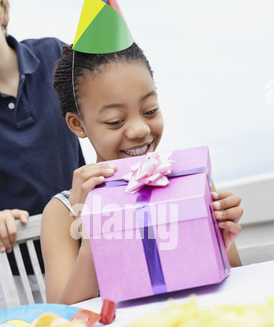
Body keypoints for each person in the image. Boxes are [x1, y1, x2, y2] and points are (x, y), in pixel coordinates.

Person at [41, 42, 243, 306]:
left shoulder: (188, 182)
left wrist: (221, 239)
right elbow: (60, 319)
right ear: (78, 124)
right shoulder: (63, 211)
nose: (139, 129)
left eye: (150, 110)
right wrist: (93, 235)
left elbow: (235, 282)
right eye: (115, 121)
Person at [0, 0, 85, 313]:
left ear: (3, 13)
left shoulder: (53, 56)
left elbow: (104, 115)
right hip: (4, 271)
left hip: (79, 250)